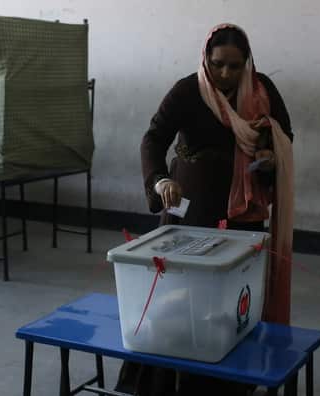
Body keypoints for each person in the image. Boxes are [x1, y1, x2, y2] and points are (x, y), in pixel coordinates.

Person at [115, 24, 295, 395]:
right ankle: (168, 383)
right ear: (205, 59)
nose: (225, 74)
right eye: (218, 65)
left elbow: (285, 134)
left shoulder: (262, 91)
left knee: (235, 298)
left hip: (243, 215)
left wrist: (269, 153)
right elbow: (153, 137)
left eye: (234, 66)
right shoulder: (188, 90)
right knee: (178, 295)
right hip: (190, 209)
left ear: (247, 63)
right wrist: (161, 181)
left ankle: (226, 385)